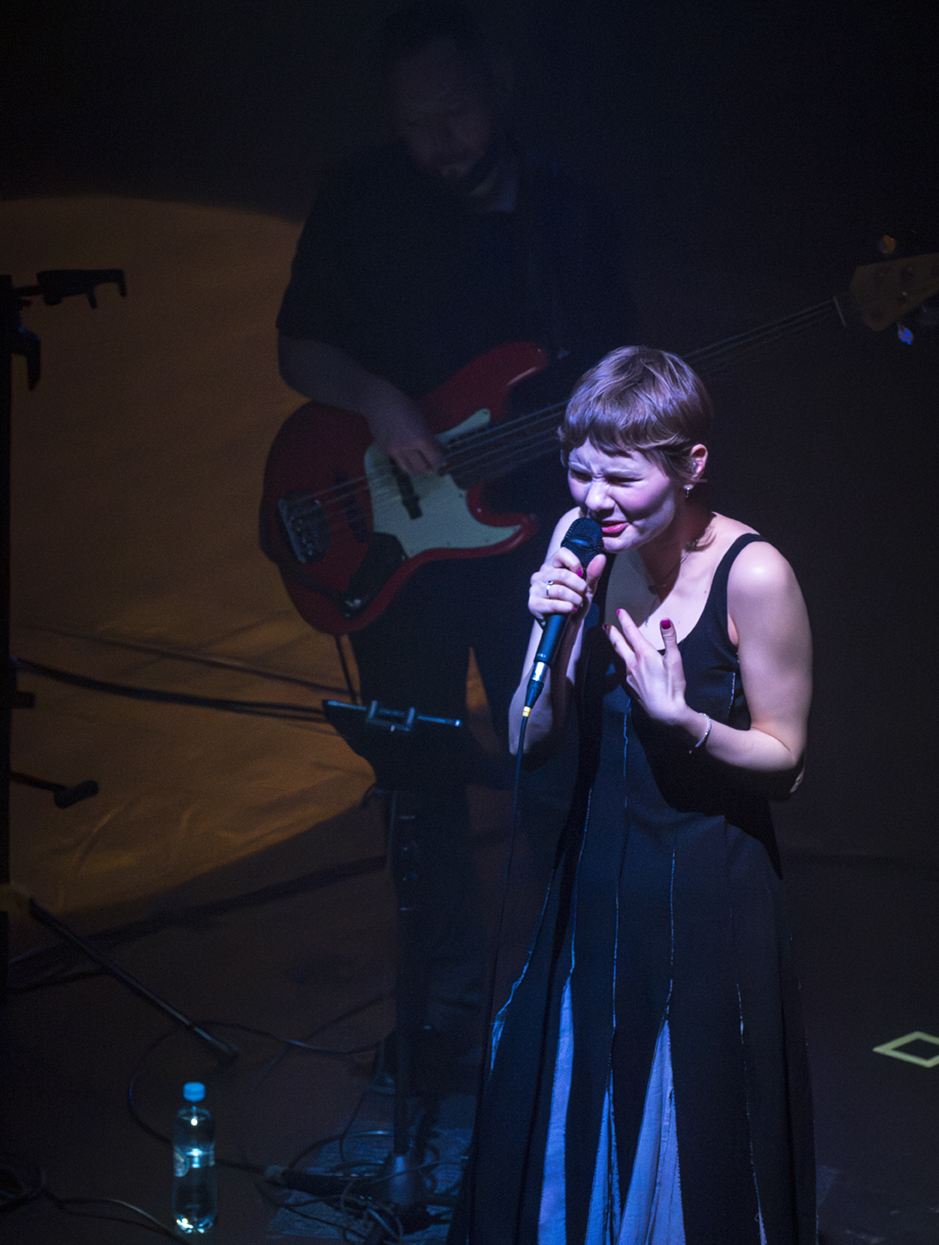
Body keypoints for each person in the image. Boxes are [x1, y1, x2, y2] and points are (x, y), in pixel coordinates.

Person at [419, 346, 831, 1245]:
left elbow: (785, 756)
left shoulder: (752, 574)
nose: (596, 500)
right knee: (567, 1174)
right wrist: (541, 638)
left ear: (690, 465)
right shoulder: (579, 554)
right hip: (594, 892)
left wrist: (681, 720)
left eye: (623, 479)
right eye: (580, 474)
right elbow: (529, 739)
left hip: (705, 903)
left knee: (684, 1192)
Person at [276, 4, 634, 1076]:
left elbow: (618, 375)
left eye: (456, 113)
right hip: (398, 546)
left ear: (499, 86)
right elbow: (298, 347)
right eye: (414, 122)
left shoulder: (567, 211)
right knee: (417, 777)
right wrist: (377, 397)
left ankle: (584, 1001)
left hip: (535, 542)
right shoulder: (360, 195)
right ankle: (439, 1017)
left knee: (559, 766)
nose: (437, 141)